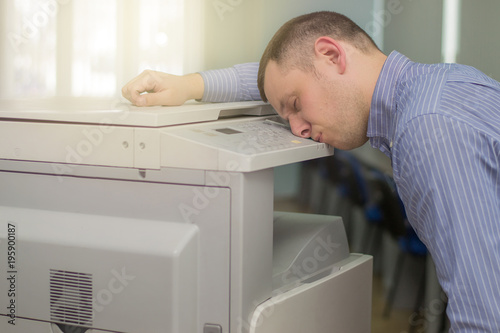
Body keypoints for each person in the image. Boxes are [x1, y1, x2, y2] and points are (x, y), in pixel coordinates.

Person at [122, 11, 500, 332]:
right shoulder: (437, 85)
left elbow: (484, 317)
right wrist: (190, 85)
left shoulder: (426, 128)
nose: (297, 129)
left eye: (296, 106)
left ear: (333, 55)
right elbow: (282, 75)